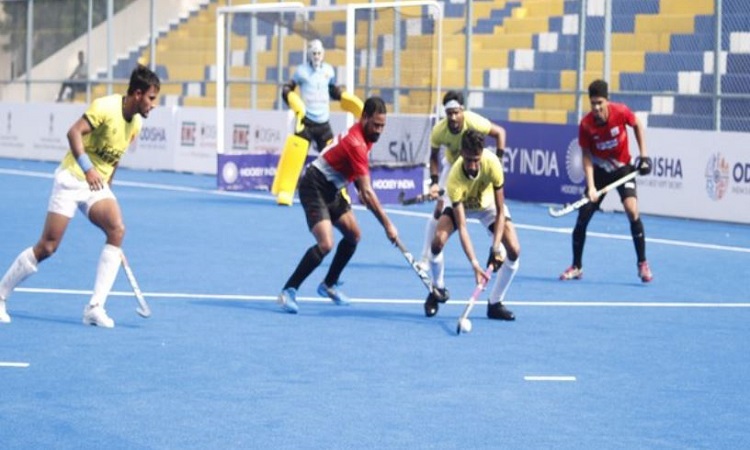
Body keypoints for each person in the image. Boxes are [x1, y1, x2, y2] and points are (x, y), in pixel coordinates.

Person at [0, 65, 161, 327]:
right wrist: (87, 170)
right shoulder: (105, 107)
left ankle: (94, 308)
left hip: (97, 186)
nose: (154, 104)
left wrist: (108, 188)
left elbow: (114, 159)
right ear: (138, 94)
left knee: (116, 230)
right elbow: (73, 133)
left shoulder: (137, 124)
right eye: (152, 98)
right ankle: (1, 295)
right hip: (72, 177)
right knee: (48, 246)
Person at [277, 96, 398, 314]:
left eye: (383, 126)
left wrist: (361, 190)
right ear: (364, 119)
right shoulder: (357, 143)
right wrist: (388, 225)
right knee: (325, 244)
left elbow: (360, 185)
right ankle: (288, 290)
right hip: (314, 185)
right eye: (376, 125)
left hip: (332, 188)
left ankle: (328, 284)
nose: (379, 130)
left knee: (354, 235)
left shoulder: (368, 136)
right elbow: (368, 192)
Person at [560, 79, 653, 283]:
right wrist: (592, 186)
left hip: (622, 169)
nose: (597, 107)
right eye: (593, 103)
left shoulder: (620, 112)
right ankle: (576, 266)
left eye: (600, 103)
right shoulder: (586, 124)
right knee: (583, 216)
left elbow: (636, 124)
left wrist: (644, 156)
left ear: (607, 101)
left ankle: (642, 264)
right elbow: (586, 156)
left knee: (631, 210)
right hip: (600, 172)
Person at [424, 129, 517, 321]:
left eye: (476, 159)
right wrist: (475, 264)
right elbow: (463, 227)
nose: (473, 166)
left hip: (488, 206)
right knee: (437, 242)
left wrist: (496, 247)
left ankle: (495, 303)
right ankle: (437, 289)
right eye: (468, 160)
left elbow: (500, 211)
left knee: (514, 250)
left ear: (482, 153)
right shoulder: (455, 179)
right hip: (462, 206)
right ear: (462, 155)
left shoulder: (493, 165)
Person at [418, 90, 507, 272]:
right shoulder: (439, 131)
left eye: (456, 112)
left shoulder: (473, 121)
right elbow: (433, 157)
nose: (453, 117)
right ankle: (426, 257)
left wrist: (498, 159)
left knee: (489, 205)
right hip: (452, 169)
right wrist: (434, 182)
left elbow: (500, 133)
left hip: (475, 164)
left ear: (462, 111)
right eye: (449, 113)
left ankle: (498, 245)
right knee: (438, 211)